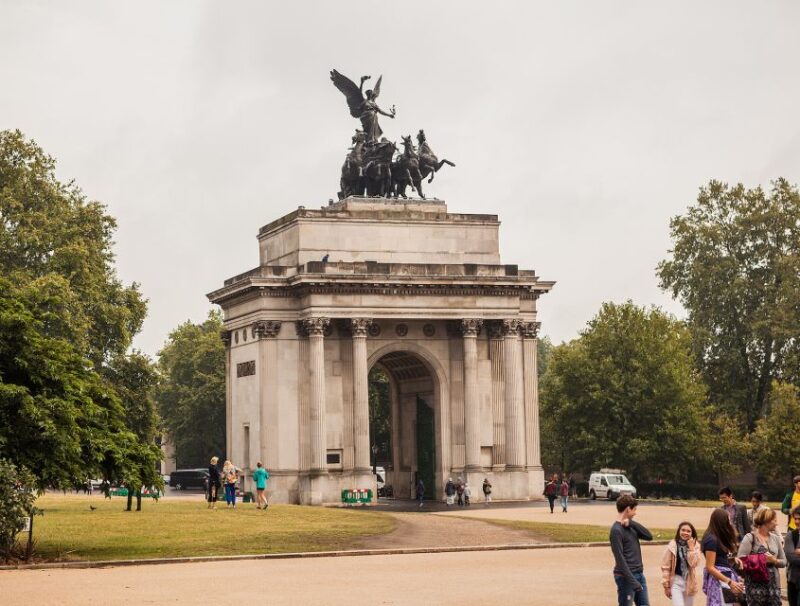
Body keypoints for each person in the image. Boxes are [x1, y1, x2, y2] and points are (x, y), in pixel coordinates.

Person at [610, 494, 653, 606]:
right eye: (634, 510)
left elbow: (649, 536)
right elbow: (620, 559)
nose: (635, 513)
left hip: (639, 574)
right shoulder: (616, 530)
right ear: (628, 509)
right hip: (626, 577)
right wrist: (633, 582)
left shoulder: (630, 526)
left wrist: (632, 524)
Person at [737, 507, 786, 606]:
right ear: (766, 521)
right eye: (774, 520)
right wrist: (761, 559)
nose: (777, 523)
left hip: (774, 587)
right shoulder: (750, 538)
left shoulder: (776, 539)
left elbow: (784, 562)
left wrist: (774, 561)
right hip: (755, 586)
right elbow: (740, 561)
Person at [702, 508, 745, 605]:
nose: (730, 522)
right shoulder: (711, 540)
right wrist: (730, 582)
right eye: (728, 519)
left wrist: (734, 559)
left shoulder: (718, 537)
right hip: (719, 580)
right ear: (721, 521)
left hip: (725, 577)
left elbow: (720, 557)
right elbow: (710, 567)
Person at [660, 521, 702, 605]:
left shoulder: (696, 546)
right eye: (683, 530)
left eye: (688, 531)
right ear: (679, 531)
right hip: (676, 581)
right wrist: (666, 586)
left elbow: (693, 564)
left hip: (689, 582)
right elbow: (666, 567)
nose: (685, 533)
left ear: (692, 533)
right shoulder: (672, 545)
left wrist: (691, 548)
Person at [784, 505, 800, 606]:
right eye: (795, 518)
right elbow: (791, 558)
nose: (797, 521)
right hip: (793, 582)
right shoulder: (790, 535)